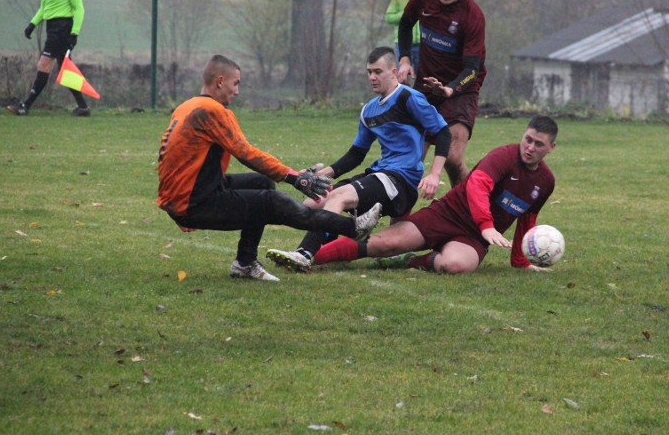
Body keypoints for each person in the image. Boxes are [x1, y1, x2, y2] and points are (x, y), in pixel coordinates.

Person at [156, 55, 382, 281]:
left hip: (188, 193)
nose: (237, 91)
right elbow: (247, 154)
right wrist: (295, 178)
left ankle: (244, 263)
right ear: (220, 81)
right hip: (192, 203)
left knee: (261, 184)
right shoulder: (211, 110)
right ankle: (353, 228)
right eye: (236, 84)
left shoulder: (188, 106)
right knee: (269, 201)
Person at [265, 46, 451, 273]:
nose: (372, 77)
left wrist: (434, 174)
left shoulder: (408, 97)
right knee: (314, 202)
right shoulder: (369, 111)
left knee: (338, 197)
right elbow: (356, 154)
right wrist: (318, 177)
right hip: (380, 173)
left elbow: (442, 132)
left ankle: (304, 253)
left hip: (401, 180)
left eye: (378, 71)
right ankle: (334, 241)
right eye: (369, 72)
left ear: (394, 72)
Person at [310, 116, 558, 275]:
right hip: (447, 214)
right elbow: (476, 186)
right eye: (528, 140)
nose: (530, 147)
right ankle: (310, 257)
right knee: (384, 243)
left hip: (474, 238)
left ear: (551, 148)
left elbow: (527, 220)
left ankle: (410, 261)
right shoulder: (503, 156)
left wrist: (521, 260)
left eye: (538, 144)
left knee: (454, 266)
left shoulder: (546, 182)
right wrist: (487, 225)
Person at [396, 0, 486, 188]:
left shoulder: (472, 16)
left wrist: (450, 89)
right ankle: (398, 221)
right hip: (426, 87)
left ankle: (468, 210)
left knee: (453, 158)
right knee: (411, 159)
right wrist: (404, 58)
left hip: (461, 90)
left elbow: (472, 69)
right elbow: (405, 23)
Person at [7, 0, 90, 117]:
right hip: (51, 26)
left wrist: (74, 33)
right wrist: (33, 24)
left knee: (44, 64)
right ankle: (82, 107)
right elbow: (44, 8)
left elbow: (79, 8)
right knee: (64, 68)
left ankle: (25, 105)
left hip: (62, 27)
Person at [384, 0, 422, 73]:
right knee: (401, 75)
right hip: (401, 43)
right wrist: (405, 14)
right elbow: (389, 17)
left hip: (421, 44)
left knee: (422, 76)